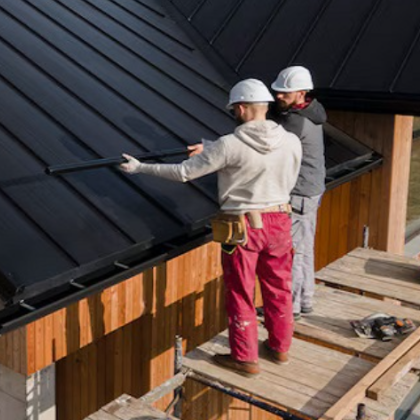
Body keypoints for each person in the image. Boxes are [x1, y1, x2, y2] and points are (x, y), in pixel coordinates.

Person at [120, 79, 301, 375]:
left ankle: (245, 358)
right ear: (265, 106)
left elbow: (182, 173)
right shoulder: (292, 140)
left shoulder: (230, 145)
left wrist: (139, 167)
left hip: (244, 226)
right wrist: (212, 147)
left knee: (241, 291)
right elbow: (257, 156)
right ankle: (280, 348)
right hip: (281, 220)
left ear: (240, 108)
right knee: (279, 286)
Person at [270, 66, 326, 318]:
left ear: (301, 93)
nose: (278, 96)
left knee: (293, 252)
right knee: (304, 247)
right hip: (310, 190)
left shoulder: (296, 122)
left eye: (285, 92)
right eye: (277, 91)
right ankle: (305, 301)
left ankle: (290, 309)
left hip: (300, 193)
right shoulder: (311, 112)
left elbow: (267, 143)